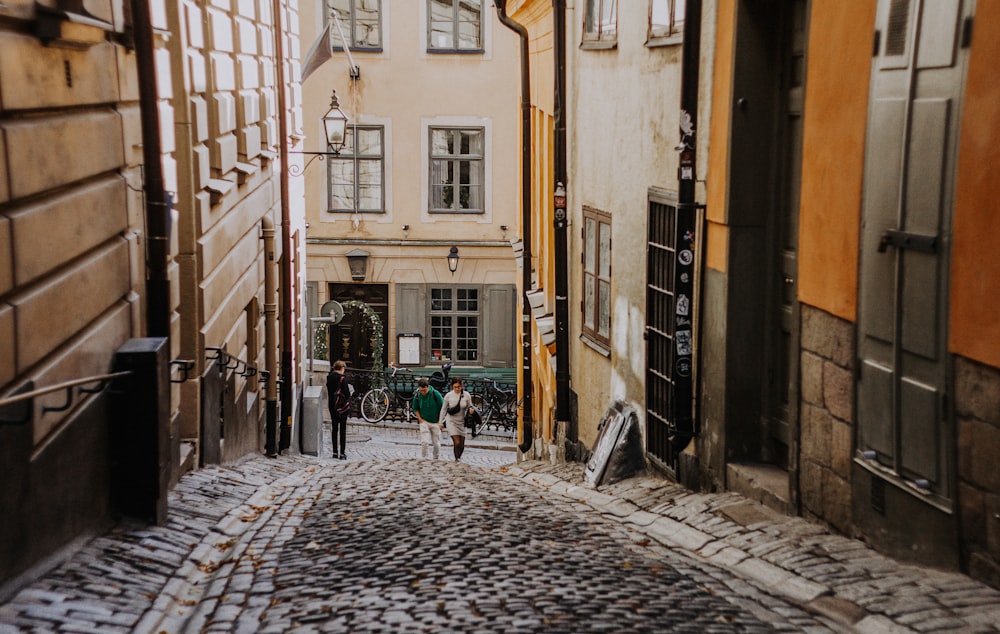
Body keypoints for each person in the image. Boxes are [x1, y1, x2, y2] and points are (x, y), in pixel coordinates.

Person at [439, 377, 474, 462]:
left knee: (461, 445)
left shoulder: (466, 395)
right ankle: (457, 459)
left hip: (462, 421)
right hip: (451, 420)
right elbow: (443, 409)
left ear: (461, 386)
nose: (457, 389)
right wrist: (440, 422)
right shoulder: (449, 395)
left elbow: (470, 405)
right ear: (452, 387)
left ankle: (459, 457)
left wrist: (471, 410)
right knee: (457, 442)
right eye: (455, 387)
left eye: (459, 387)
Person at [411, 378, 444, 459]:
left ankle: (436, 458)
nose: (423, 392)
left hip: (435, 421)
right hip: (424, 421)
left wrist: (440, 421)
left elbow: (443, 407)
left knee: (436, 443)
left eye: (425, 390)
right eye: (421, 390)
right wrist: (420, 419)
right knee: (424, 442)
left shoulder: (435, 394)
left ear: (428, 387)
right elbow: (415, 408)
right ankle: (424, 458)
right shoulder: (418, 395)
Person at [326, 360, 351, 460]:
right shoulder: (342, 378)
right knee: (343, 429)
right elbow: (347, 393)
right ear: (342, 368)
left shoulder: (329, 378)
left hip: (332, 405)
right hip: (341, 406)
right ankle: (342, 453)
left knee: (334, 428)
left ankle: (334, 452)